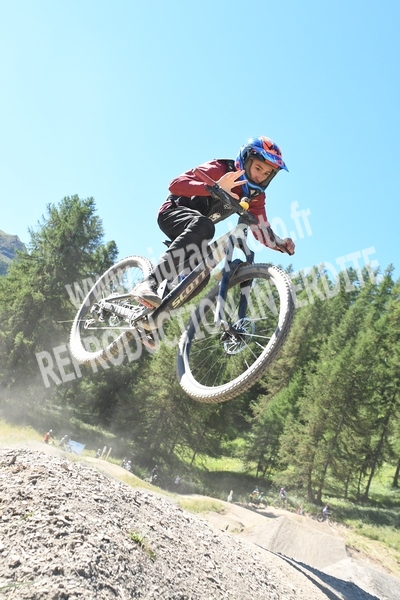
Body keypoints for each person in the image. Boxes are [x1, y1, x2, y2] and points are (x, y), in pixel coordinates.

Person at [132, 136, 295, 308]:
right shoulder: (222, 169)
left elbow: (260, 225)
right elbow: (175, 185)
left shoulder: (256, 196)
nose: (260, 176)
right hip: (173, 213)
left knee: (200, 276)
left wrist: (279, 243)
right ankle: (149, 282)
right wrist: (214, 187)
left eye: (267, 173)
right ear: (246, 160)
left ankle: (155, 314)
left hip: (197, 232)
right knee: (204, 226)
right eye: (258, 168)